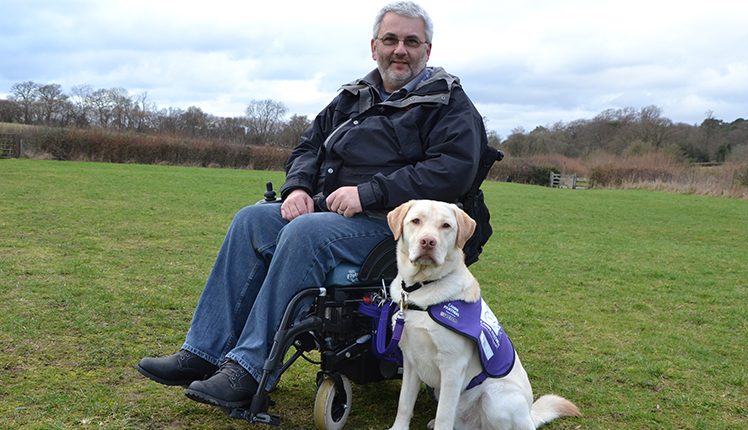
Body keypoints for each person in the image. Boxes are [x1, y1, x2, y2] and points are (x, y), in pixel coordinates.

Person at [136, 0, 487, 410]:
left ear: (428, 50)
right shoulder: (352, 98)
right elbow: (308, 147)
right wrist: (297, 188)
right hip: (330, 209)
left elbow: (451, 171)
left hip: (392, 225)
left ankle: (247, 369)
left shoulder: (447, 103)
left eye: (412, 41)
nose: (400, 50)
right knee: (252, 219)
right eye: (391, 40)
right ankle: (203, 351)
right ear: (374, 46)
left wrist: (368, 193)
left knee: (308, 233)